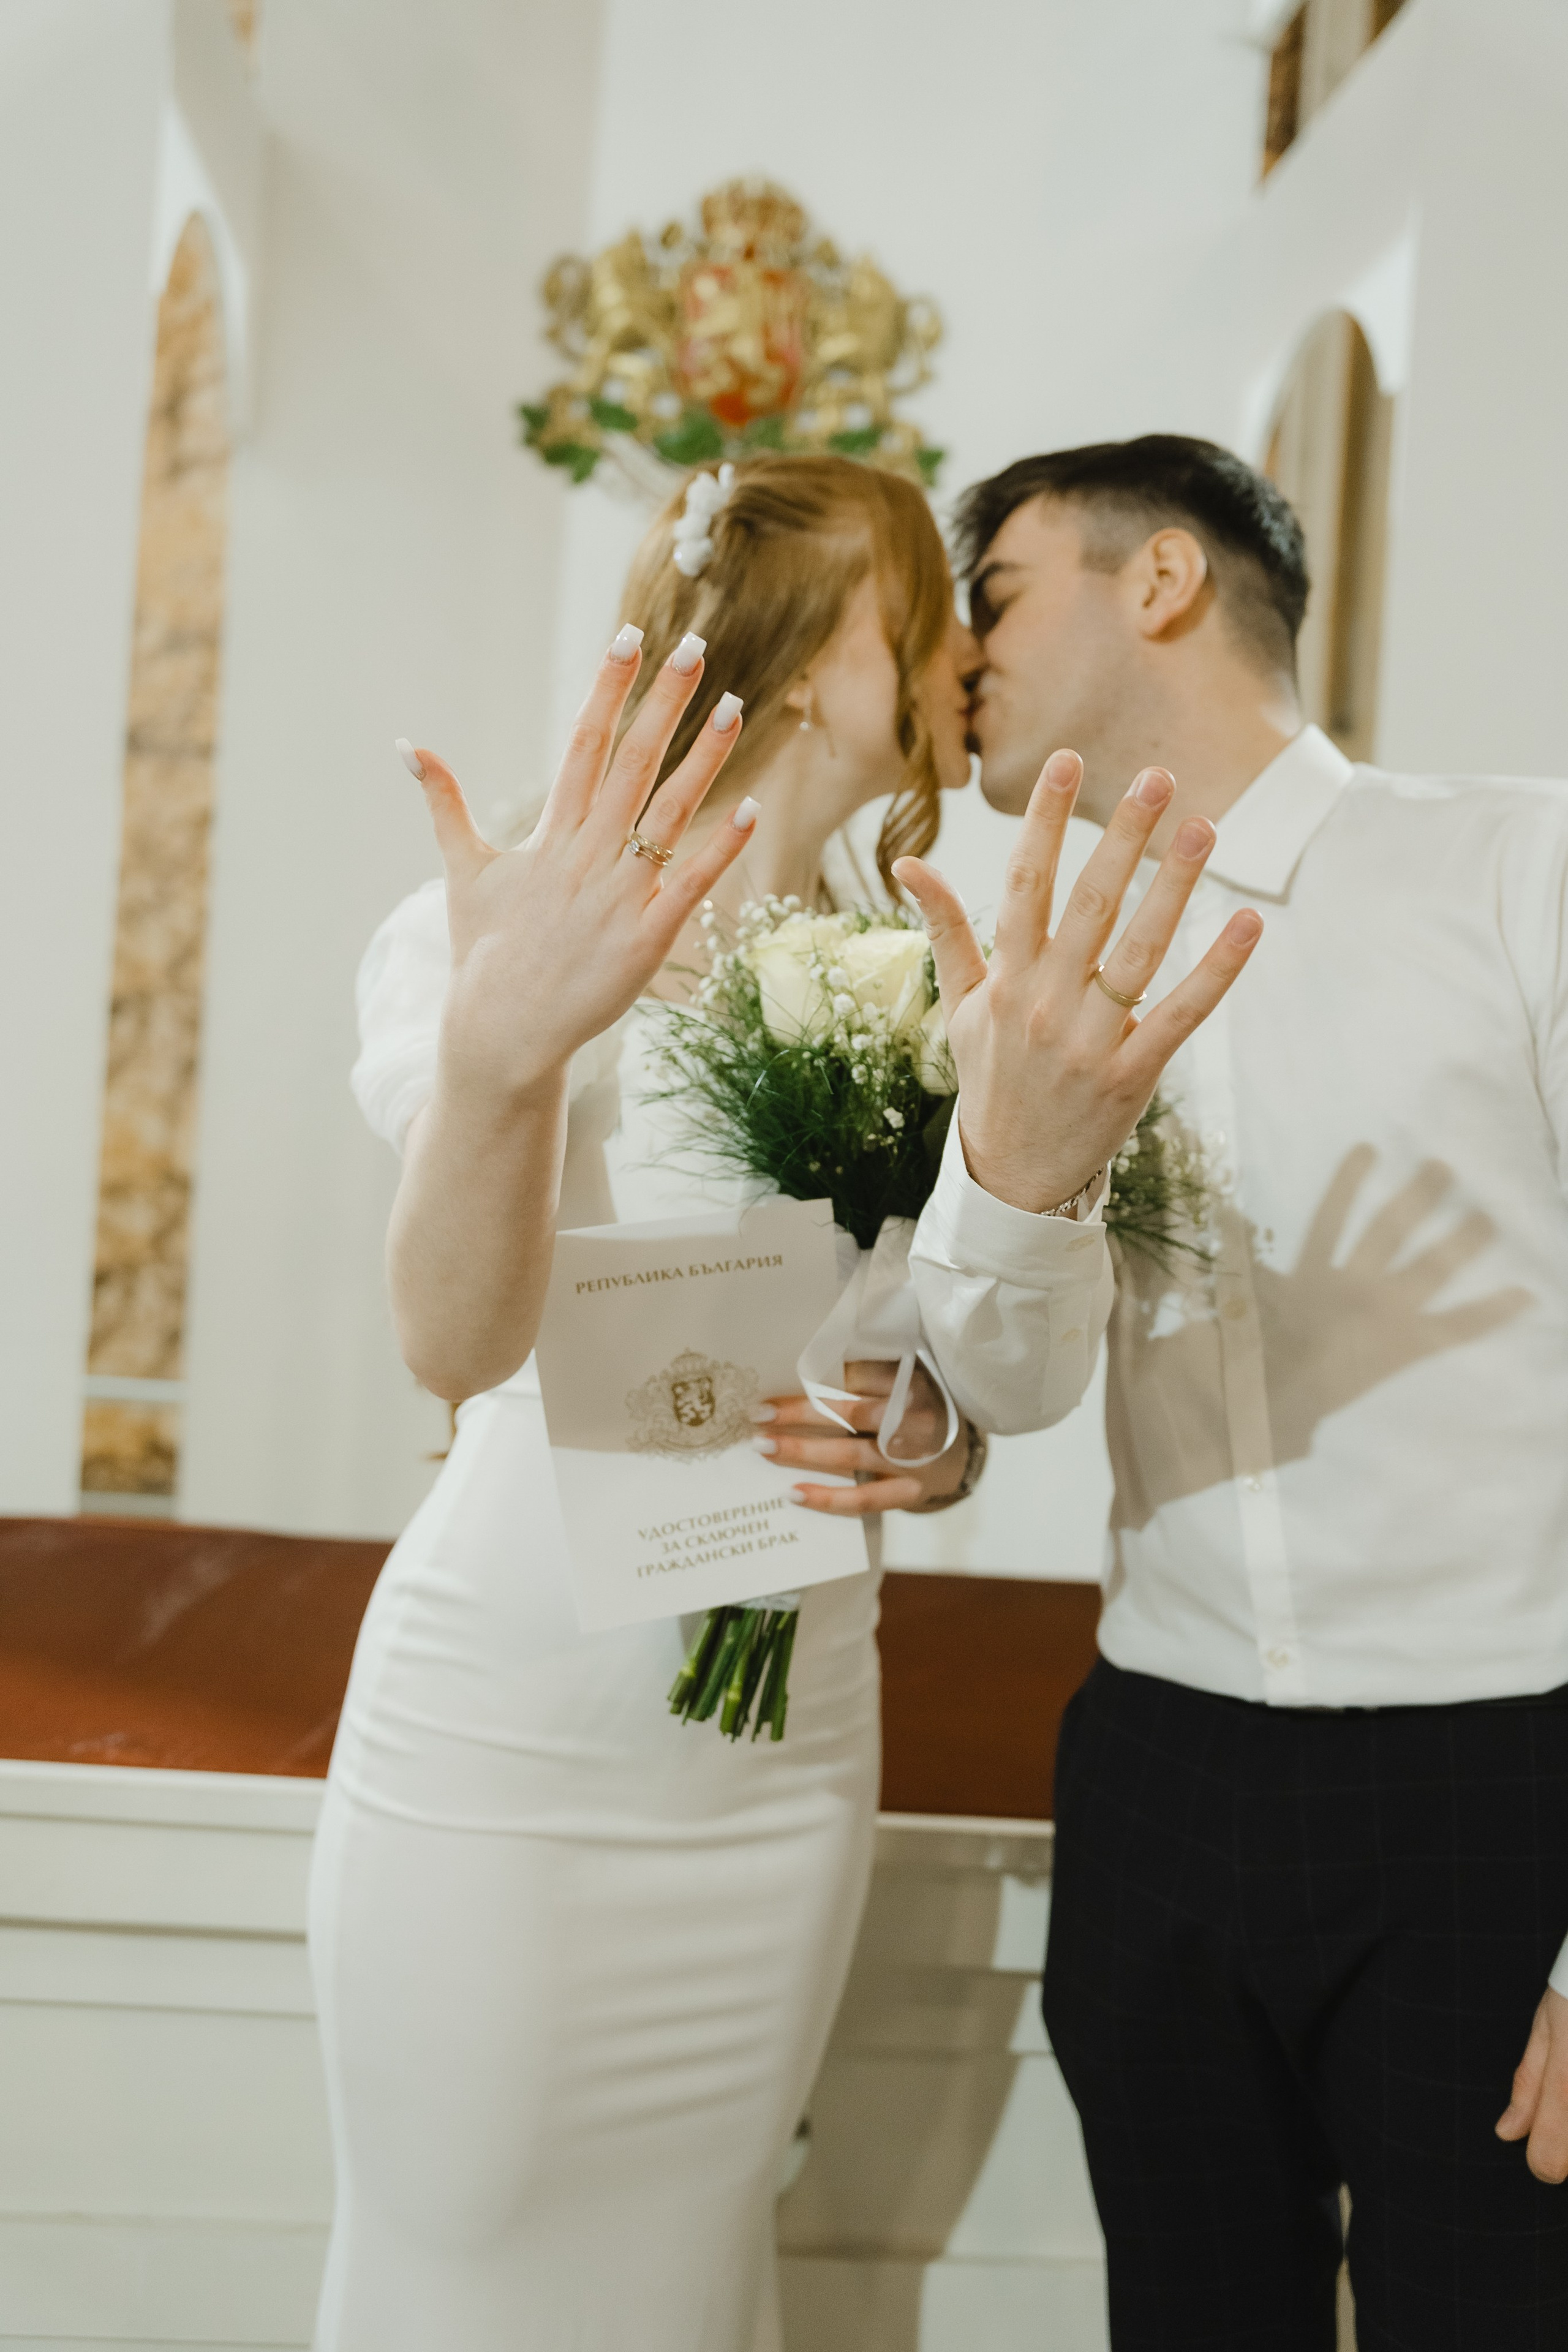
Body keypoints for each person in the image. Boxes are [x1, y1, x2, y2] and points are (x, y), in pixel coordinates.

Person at [307, 451, 1250, 2352]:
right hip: (527, 1738)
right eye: (935, 605)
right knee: (460, 2267)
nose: (967, 653)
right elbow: (454, 1344)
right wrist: (504, 1055)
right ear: (827, 654)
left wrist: (929, 1433)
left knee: (688, 2279)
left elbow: (945, 1369)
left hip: (783, 1747)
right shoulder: (536, 915)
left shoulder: (916, 965)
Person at [896, 434, 1568, 2348]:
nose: (964, 665)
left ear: (1164, 581)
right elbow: (1008, 1386)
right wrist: (1011, 1152)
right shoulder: (1027, 966)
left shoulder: (1519, 865)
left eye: (1000, 597)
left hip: (1501, 1770)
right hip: (1162, 1766)